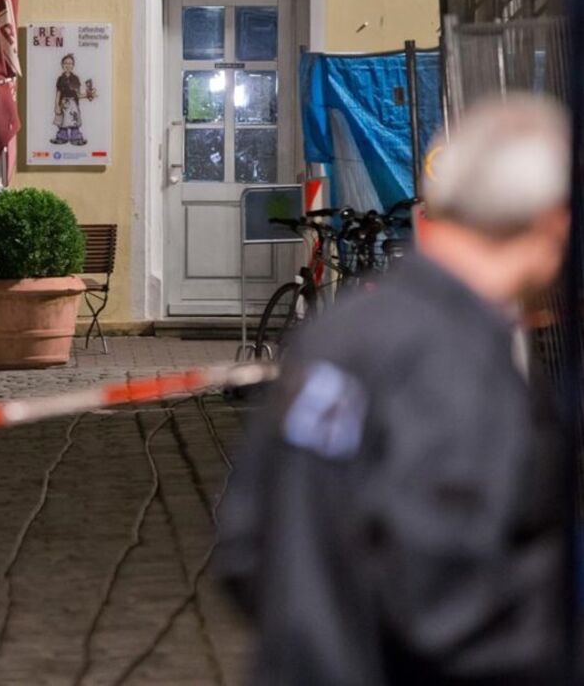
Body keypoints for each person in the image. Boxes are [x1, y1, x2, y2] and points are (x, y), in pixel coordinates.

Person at [216, 95, 571, 685]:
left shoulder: (337, 333)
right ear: (552, 223)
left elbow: (245, 544)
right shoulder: (458, 366)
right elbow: (448, 605)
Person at [51, 53, 85, 146]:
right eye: (65, 63)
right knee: (62, 121)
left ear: (73, 65)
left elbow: (78, 94)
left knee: (74, 120)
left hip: (73, 103)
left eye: (70, 63)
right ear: (62, 65)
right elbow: (58, 93)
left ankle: (76, 138)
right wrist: (56, 105)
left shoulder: (76, 79)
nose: (68, 65)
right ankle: (62, 137)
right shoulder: (60, 79)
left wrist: (88, 95)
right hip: (63, 103)